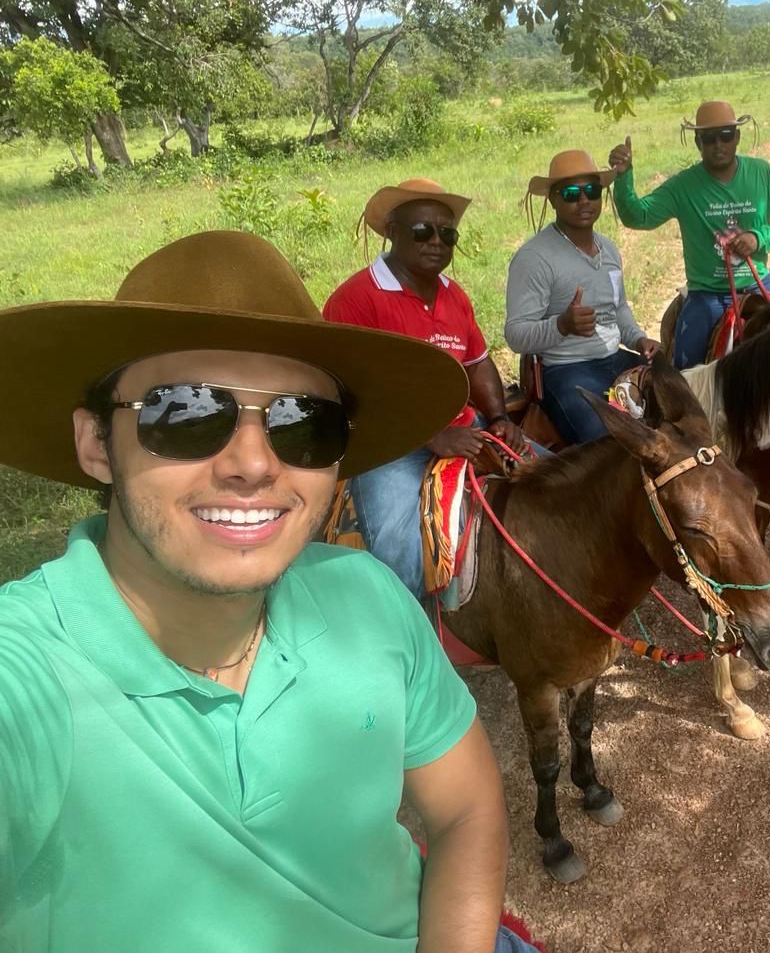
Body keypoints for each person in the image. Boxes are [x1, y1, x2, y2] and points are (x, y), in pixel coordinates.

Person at [0, 230, 538, 952]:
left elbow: (468, 807)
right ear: (97, 443)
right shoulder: (25, 678)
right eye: (185, 412)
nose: (254, 463)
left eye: (302, 422)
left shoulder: (366, 596)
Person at [324, 178, 528, 600]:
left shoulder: (455, 296)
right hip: (386, 442)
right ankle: (409, 642)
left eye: (446, 233)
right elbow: (351, 390)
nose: (436, 241)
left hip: (463, 427)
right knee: (399, 548)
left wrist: (500, 418)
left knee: (557, 480)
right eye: (422, 232)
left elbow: (477, 363)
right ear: (392, 232)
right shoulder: (357, 298)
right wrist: (433, 436)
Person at [609, 100, 770, 369]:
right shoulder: (683, 186)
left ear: (737, 137)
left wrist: (759, 237)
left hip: (759, 282)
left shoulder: (762, 173)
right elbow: (638, 217)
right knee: (686, 374)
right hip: (708, 295)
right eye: (709, 138)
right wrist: (624, 177)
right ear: (698, 142)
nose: (718, 145)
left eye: (726, 136)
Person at [505, 149, 661, 444]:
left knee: (683, 409)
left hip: (615, 359)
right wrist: (562, 325)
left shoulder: (609, 250)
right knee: (607, 444)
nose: (584, 200)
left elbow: (619, 309)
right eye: (571, 193)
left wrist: (639, 340)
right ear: (553, 199)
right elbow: (515, 335)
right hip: (566, 370)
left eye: (592, 190)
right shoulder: (534, 258)